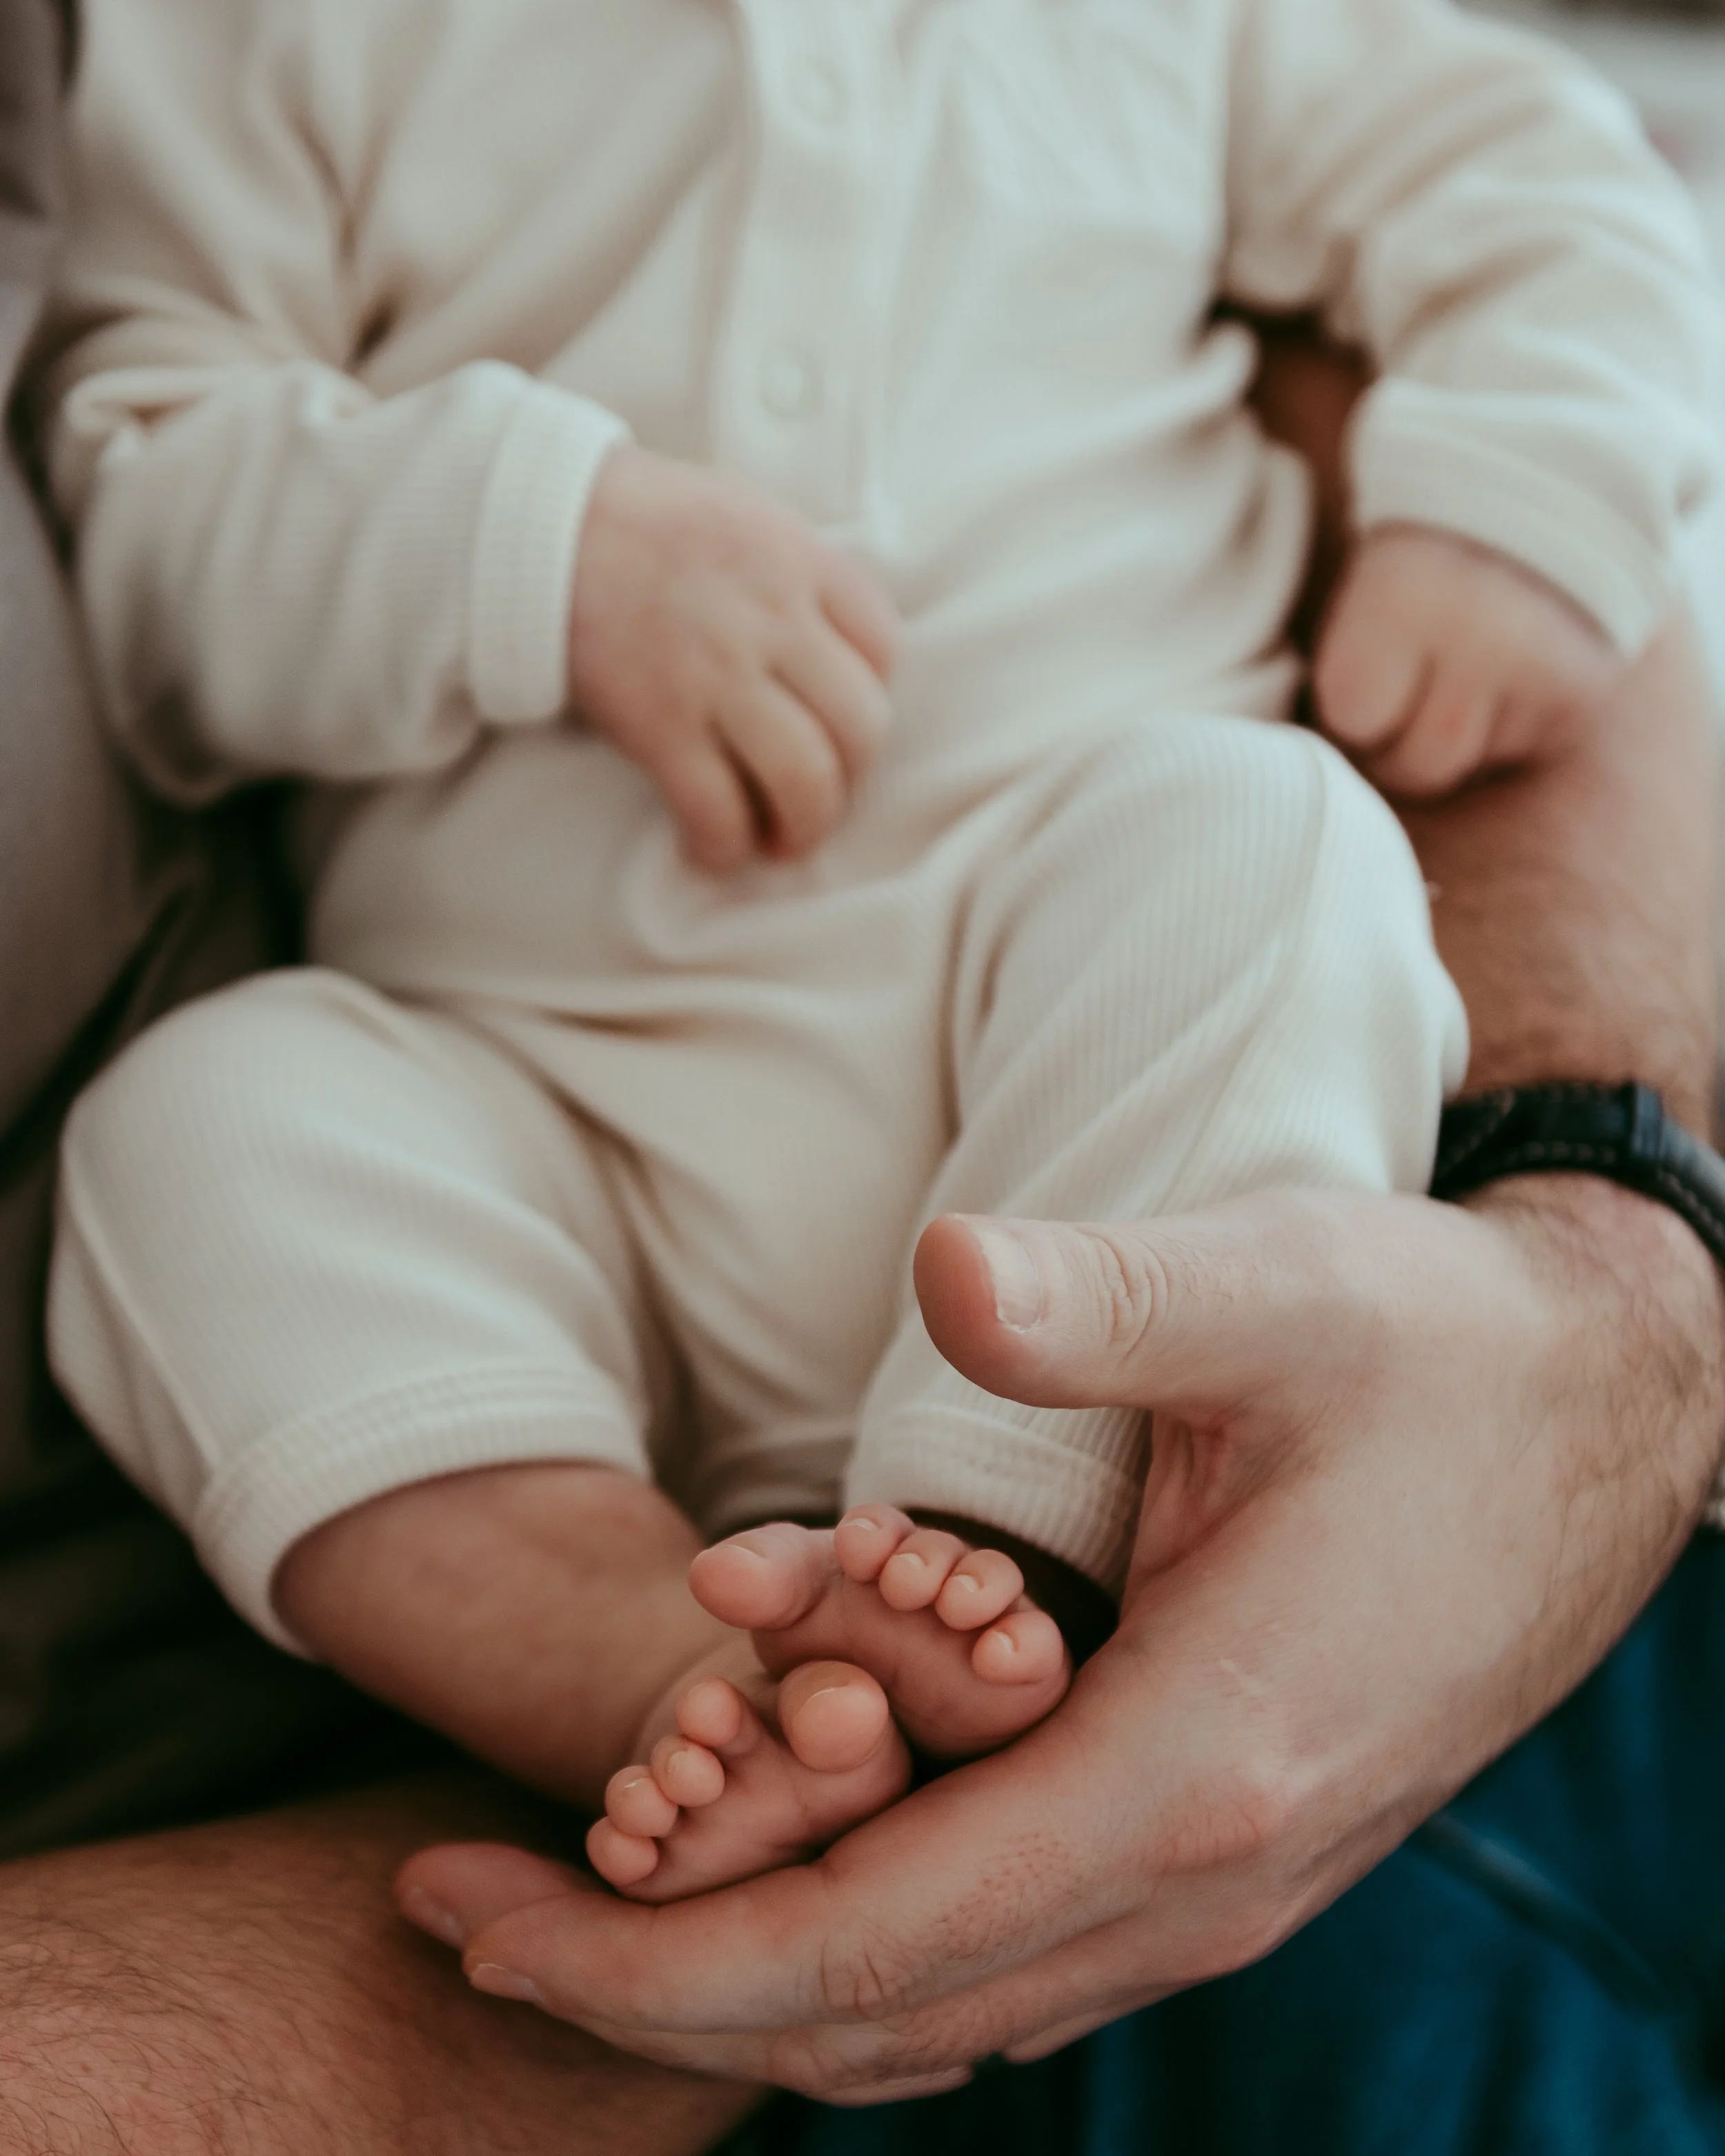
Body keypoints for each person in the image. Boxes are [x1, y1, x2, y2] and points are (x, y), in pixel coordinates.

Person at [0, 16, 1719, 2156]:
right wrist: (531, 542)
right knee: (204, 1123)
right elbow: (146, 483)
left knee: (1265, 837)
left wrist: (1522, 501)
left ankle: (1008, 1530)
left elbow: (1529, 170)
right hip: (540, 1139)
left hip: (1083, 1064)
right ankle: (642, 1652)